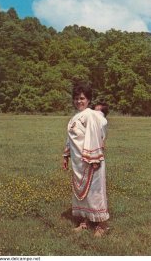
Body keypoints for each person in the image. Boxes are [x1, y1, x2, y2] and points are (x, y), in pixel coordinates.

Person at [62, 83, 109, 237]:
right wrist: (66, 156)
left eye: (82, 98)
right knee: (81, 194)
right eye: (76, 98)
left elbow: (94, 135)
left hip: (91, 159)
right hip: (78, 162)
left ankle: (101, 225)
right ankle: (85, 222)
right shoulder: (75, 117)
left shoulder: (90, 115)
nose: (79, 101)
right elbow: (71, 138)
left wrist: (94, 158)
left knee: (95, 192)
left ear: (88, 99)